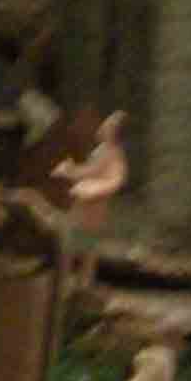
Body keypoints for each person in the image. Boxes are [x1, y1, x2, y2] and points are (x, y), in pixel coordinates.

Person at [51, 110, 128, 289]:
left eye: (109, 125)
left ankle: (80, 286)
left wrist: (76, 177)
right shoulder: (102, 151)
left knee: (83, 247)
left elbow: (111, 178)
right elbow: (91, 170)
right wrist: (71, 171)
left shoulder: (113, 154)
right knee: (74, 246)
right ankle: (70, 284)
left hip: (92, 206)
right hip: (84, 204)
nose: (103, 127)